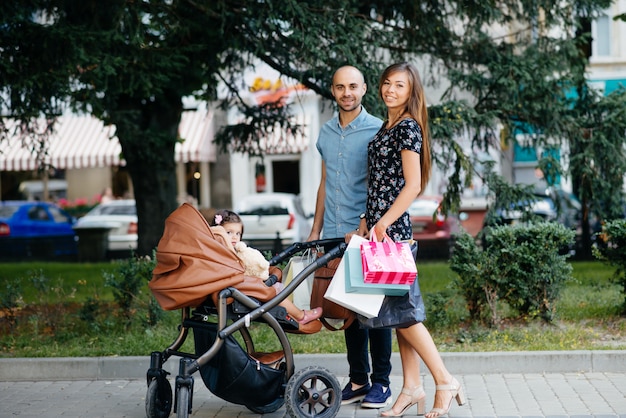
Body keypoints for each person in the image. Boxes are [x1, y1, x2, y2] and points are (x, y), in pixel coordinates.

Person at [364, 62, 465, 418]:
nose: (390, 90)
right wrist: (367, 221)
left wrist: (384, 223)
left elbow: (414, 185)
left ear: (411, 92)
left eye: (399, 85)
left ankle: (444, 379)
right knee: (397, 316)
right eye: (387, 83)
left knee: (405, 314)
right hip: (379, 233)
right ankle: (411, 386)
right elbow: (379, 184)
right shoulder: (385, 127)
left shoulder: (407, 127)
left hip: (394, 237)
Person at [307, 65, 393, 409]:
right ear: (333, 90)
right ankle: (358, 379)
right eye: (341, 87)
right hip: (332, 233)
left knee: (372, 310)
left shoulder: (378, 129)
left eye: (353, 86)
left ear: (364, 89)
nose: (347, 93)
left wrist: (362, 222)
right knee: (347, 311)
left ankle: (382, 383)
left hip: (365, 233)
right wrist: (315, 231)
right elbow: (325, 183)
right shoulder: (325, 133)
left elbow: (380, 185)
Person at [211, 209, 323, 326]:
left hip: (239, 286)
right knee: (272, 291)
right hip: (237, 289)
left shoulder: (234, 251)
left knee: (273, 288)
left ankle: (294, 313)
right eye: (229, 233)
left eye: (238, 233)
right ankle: (301, 315)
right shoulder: (224, 252)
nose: (234, 237)